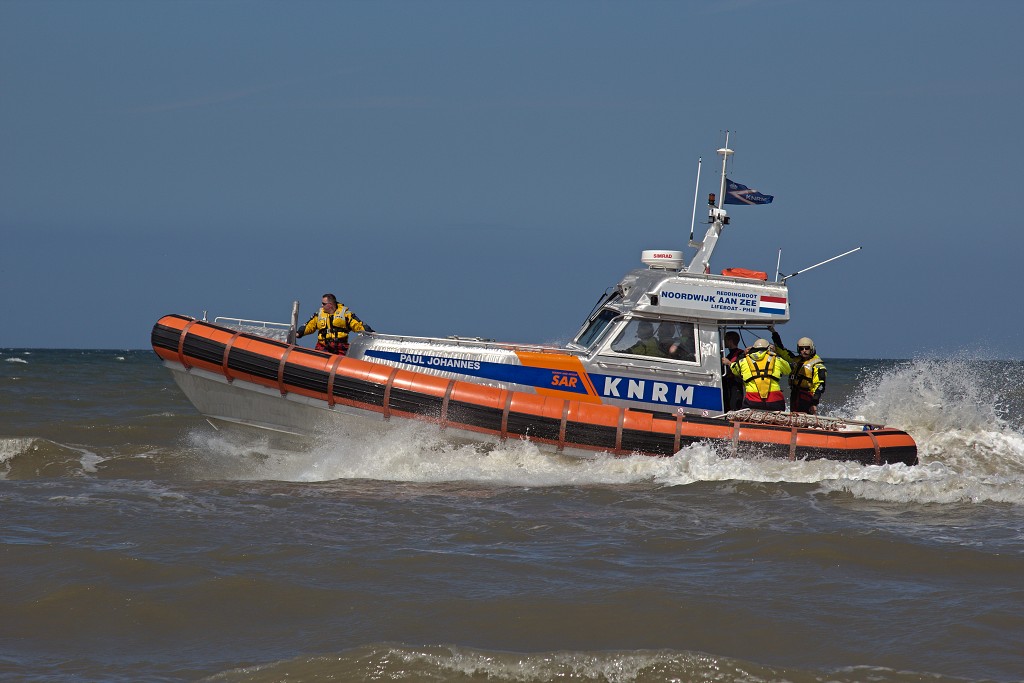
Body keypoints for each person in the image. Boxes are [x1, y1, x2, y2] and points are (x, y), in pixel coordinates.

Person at [770, 325, 826, 414]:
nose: (804, 350)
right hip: (795, 394)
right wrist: (774, 333)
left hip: (807, 397)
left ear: (811, 348)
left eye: (807, 348)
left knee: (804, 418)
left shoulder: (817, 365)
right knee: (794, 416)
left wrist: (814, 403)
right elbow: (782, 350)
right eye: (801, 348)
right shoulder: (795, 360)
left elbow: (820, 386)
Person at [725, 338, 790, 411]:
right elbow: (788, 370)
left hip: (752, 400)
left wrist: (742, 355)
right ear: (768, 348)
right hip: (774, 399)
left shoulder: (743, 361)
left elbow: (735, 370)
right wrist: (775, 353)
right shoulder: (777, 360)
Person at [296, 293, 372, 355]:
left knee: (346, 360)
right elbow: (309, 325)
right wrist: (299, 333)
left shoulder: (345, 314)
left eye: (323, 304)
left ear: (330, 304)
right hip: (323, 346)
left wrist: (370, 333)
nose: (321, 306)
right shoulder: (319, 314)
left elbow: (358, 325)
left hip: (340, 347)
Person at [720, 331, 745, 411]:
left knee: (734, 407)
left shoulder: (741, 354)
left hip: (735, 386)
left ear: (730, 341)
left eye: (725, 340)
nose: (724, 342)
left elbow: (741, 370)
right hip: (727, 386)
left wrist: (729, 363)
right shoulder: (729, 354)